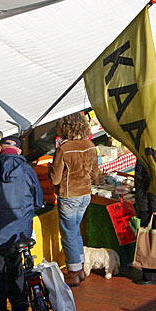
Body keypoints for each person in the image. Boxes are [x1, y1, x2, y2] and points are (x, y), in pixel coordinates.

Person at [0, 136, 44, 311]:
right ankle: (21, 310)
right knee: (17, 270)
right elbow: (38, 200)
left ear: (0, 149)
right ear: (17, 151)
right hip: (19, 234)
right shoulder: (27, 170)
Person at [48, 112, 100, 288]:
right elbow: (95, 174)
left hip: (69, 195)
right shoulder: (90, 145)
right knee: (75, 230)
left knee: (69, 233)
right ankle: (81, 265)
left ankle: (73, 272)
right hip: (85, 193)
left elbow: (55, 179)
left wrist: (50, 168)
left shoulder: (64, 149)